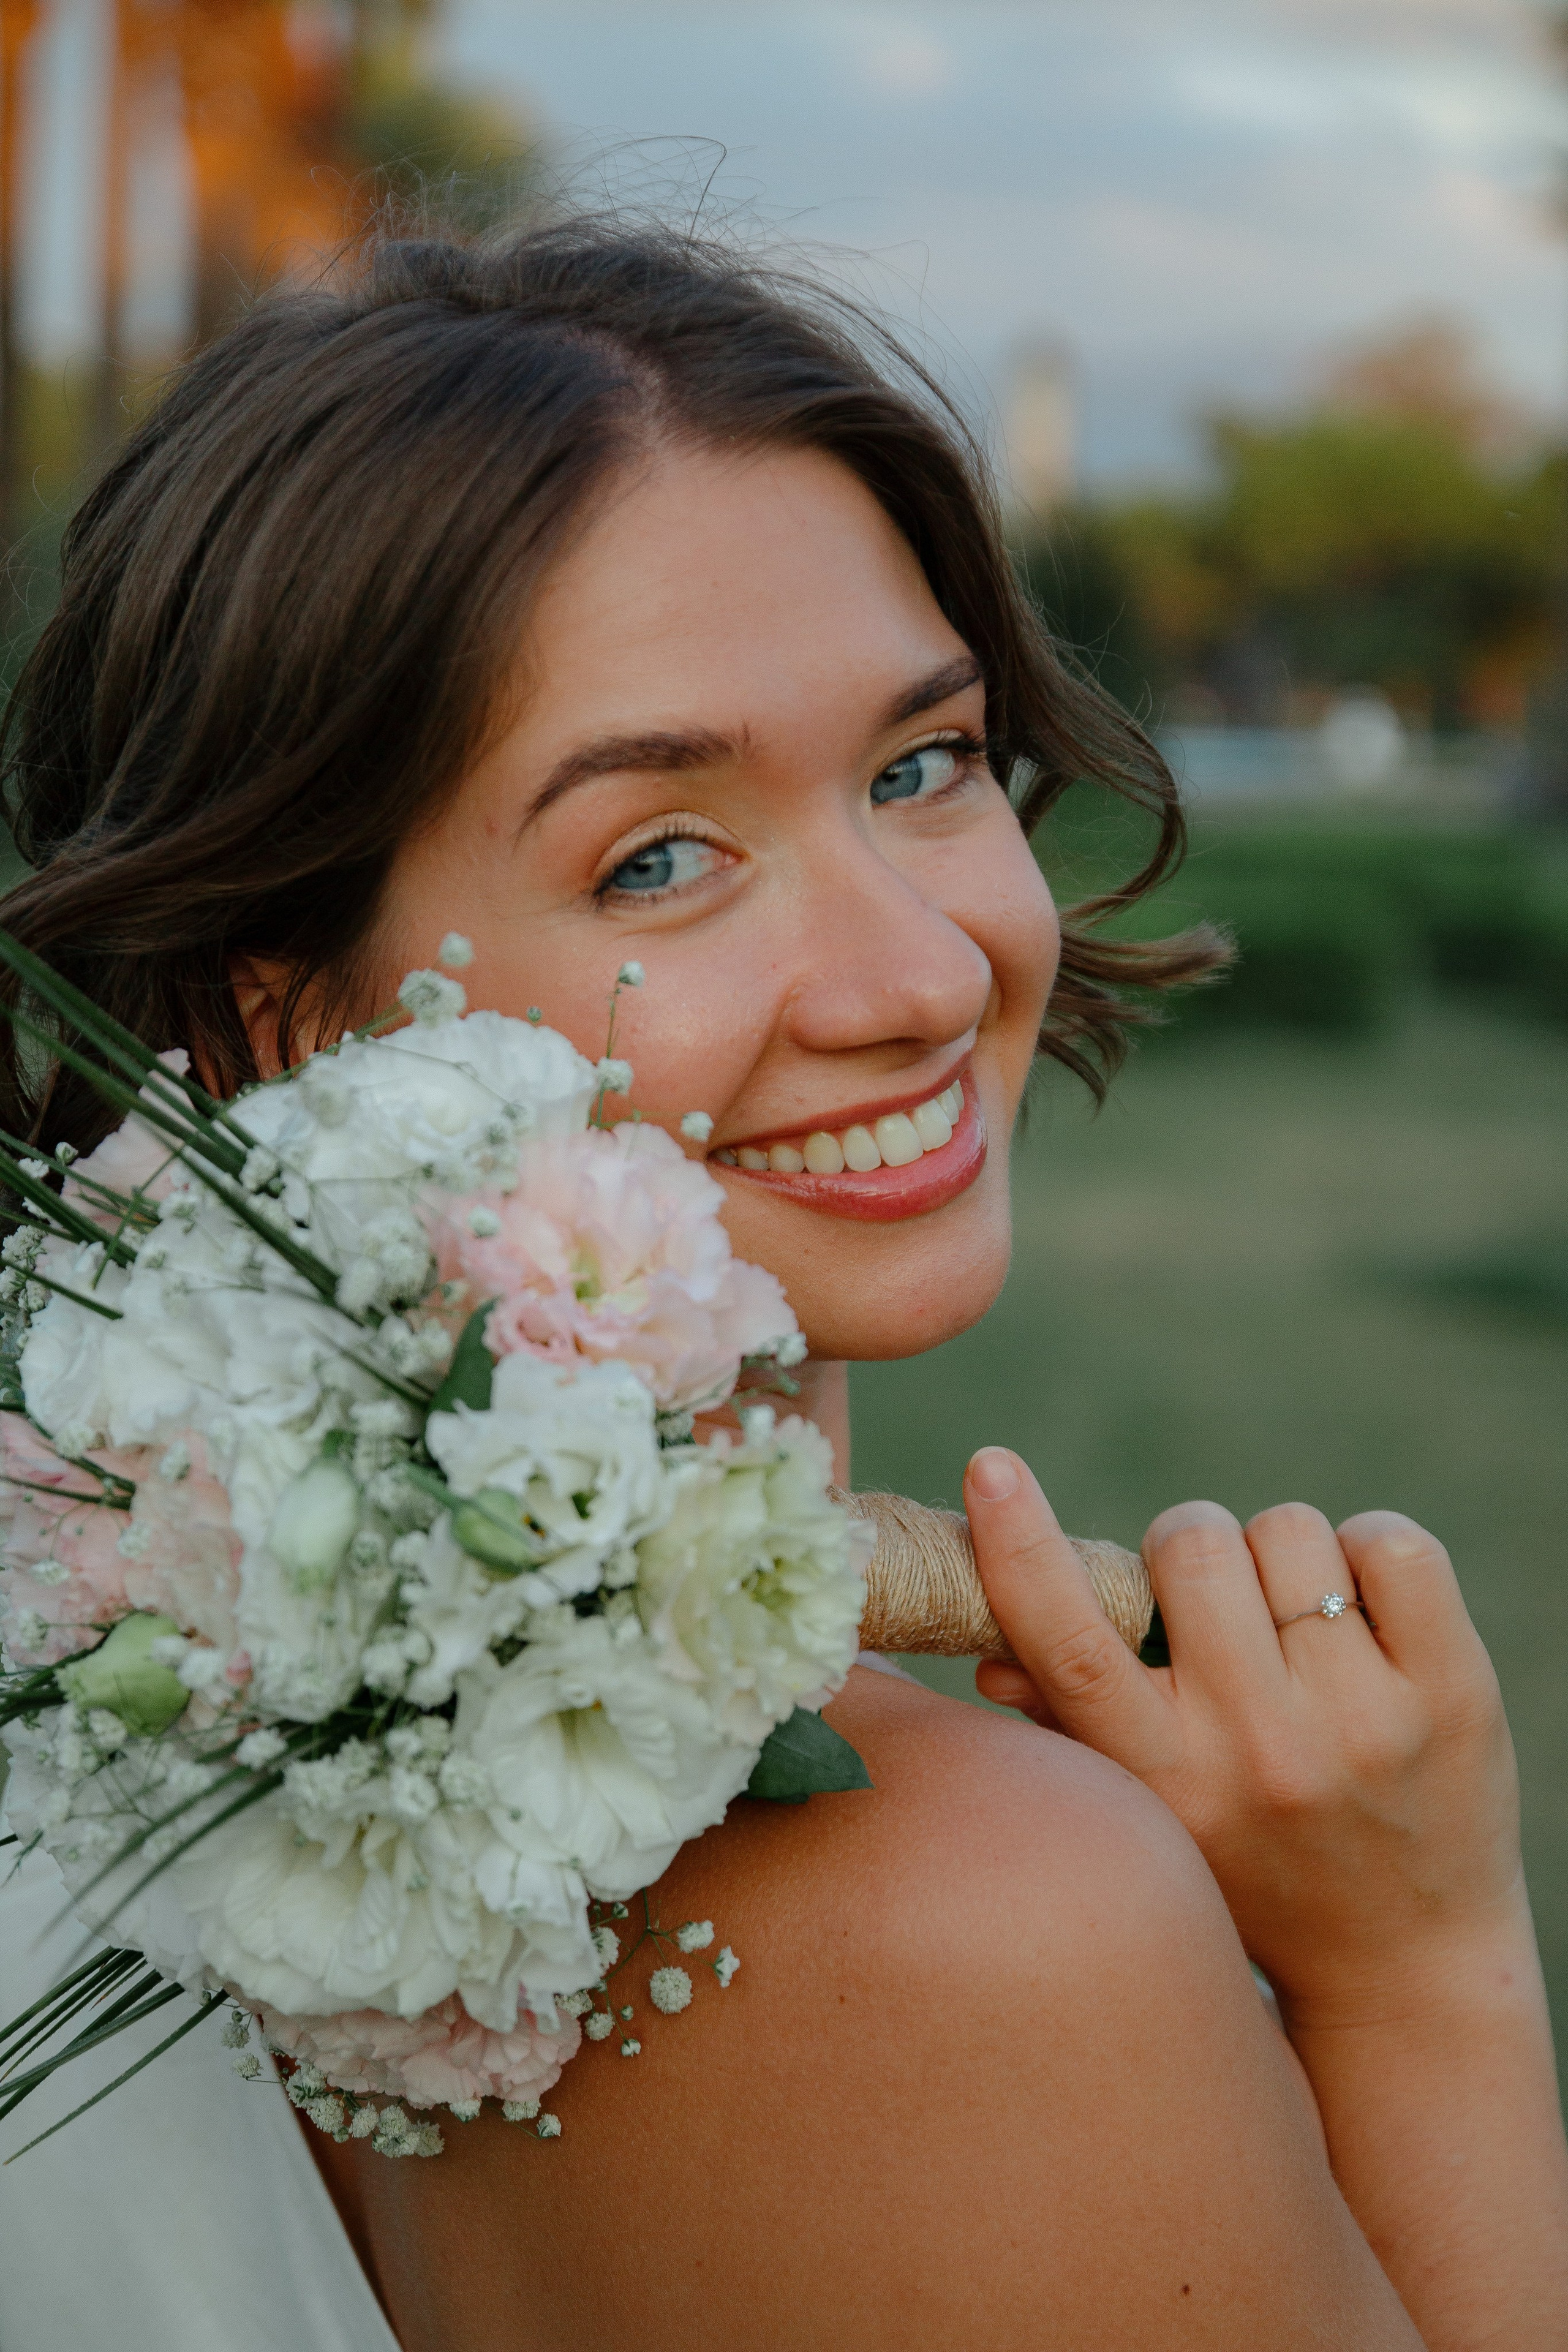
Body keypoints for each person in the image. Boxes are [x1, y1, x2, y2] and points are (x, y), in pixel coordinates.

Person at [0, 211, 1564, 2352]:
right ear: (282, 1018)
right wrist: (1422, 1969)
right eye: (661, 855)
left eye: (924, 765)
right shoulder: (977, 1926)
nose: (922, 974)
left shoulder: (113, 1678)